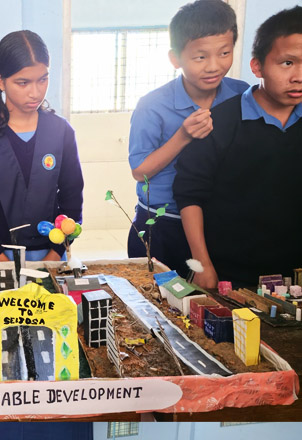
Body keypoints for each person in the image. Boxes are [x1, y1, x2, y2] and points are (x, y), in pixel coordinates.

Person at [174, 7, 302, 289]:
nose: (298, 76)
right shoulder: (219, 123)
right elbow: (189, 194)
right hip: (230, 275)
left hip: (294, 276)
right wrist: (203, 265)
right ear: (257, 66)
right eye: (287, 63)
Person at [127, 0, 246, 275]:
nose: (214, 66)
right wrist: (183, 135)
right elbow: (140, 171)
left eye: (224, 53)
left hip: (217, 222)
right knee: (159, 297)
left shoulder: (241, 95)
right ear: (175, 59)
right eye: (200, 57)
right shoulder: (153, 105)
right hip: (162, 223)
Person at [0, 30, 83, 263]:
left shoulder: (61, 132)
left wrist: (55, 254)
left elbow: (72, 199)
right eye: (23, 83)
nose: (35, 92)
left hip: (51, 255)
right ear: (0, 80)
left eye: (43, 79)